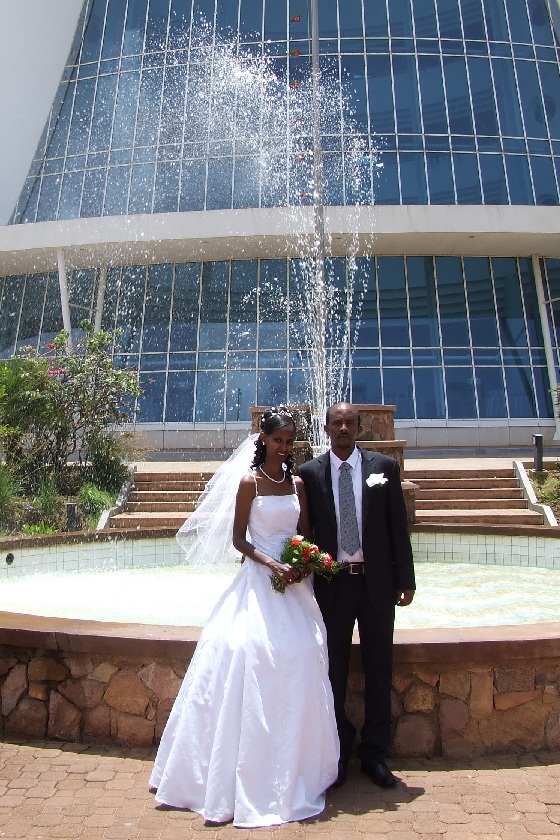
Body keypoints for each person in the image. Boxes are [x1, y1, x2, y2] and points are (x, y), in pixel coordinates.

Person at [149, 407, 339, 827]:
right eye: (278, 441)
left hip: (295, 586)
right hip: (259, 580)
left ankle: (297, 765)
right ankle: (232, 771)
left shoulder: (298, 482)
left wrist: (303, 562)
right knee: (247, 653)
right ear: (264, 440)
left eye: (290, 442)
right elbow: (238, 539)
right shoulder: (249, 483)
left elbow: (304, 532)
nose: (285, 448)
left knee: (305, 653)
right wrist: (272, 565)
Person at [298, 402, 415, 789]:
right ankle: (339, 750)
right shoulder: (309, 474)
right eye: (337, 422)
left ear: (359, 427)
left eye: (350, 422)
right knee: (333, 670)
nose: (344, 427)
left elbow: (397, 525)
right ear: (327, 428)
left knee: (380, 665)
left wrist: (406, 579)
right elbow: (303, 532)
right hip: (333, 584)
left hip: (377, 583)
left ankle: (375, 754)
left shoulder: (383, 468)